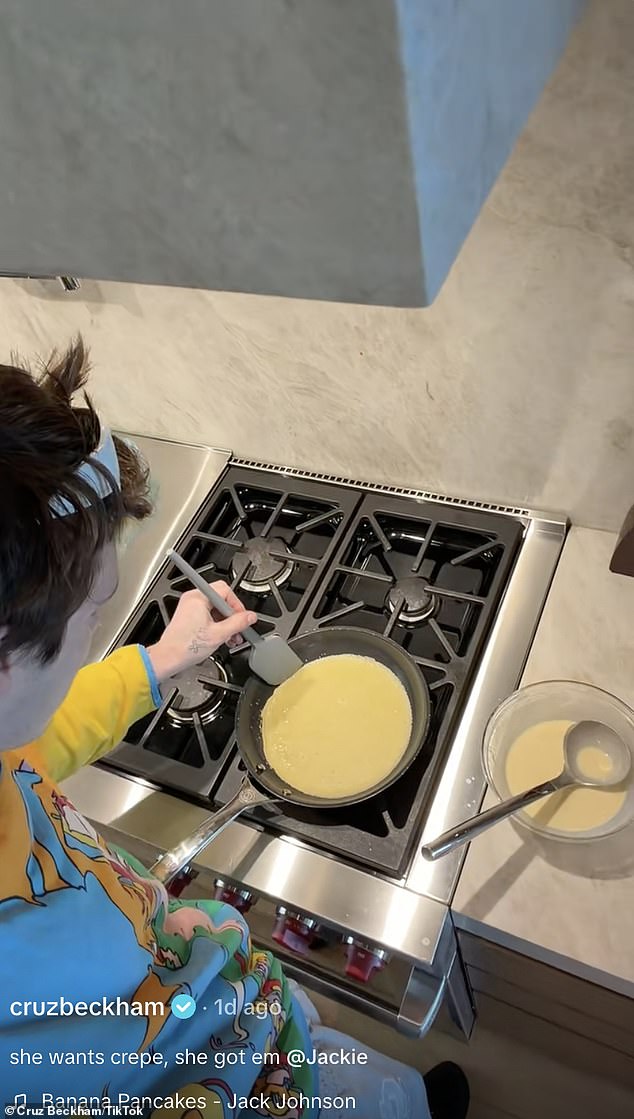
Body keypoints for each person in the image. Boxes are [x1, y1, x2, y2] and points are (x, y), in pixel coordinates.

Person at [0, 338, 469, 1119]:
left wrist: (158, 662)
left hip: (225, 993)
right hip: (236, 1084)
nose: (97, 630)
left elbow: (30, 742)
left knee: (366, 1079)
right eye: (94, 612)